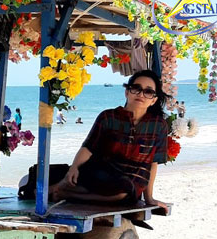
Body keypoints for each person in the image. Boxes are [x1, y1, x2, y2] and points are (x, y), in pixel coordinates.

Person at [49, 69, 169, 210]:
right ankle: (60, 187)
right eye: (136, 88)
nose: (141, 94)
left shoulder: (159, 125)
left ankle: (65, 194)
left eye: (148, 92)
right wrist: (74, 168)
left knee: (123, 191)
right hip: (101, 174)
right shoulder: (108, 117)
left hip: (132, 183)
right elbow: (88, 148)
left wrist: (149, 198)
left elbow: (153, 162)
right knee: (112, 186)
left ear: (153, 100)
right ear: (127, 92)